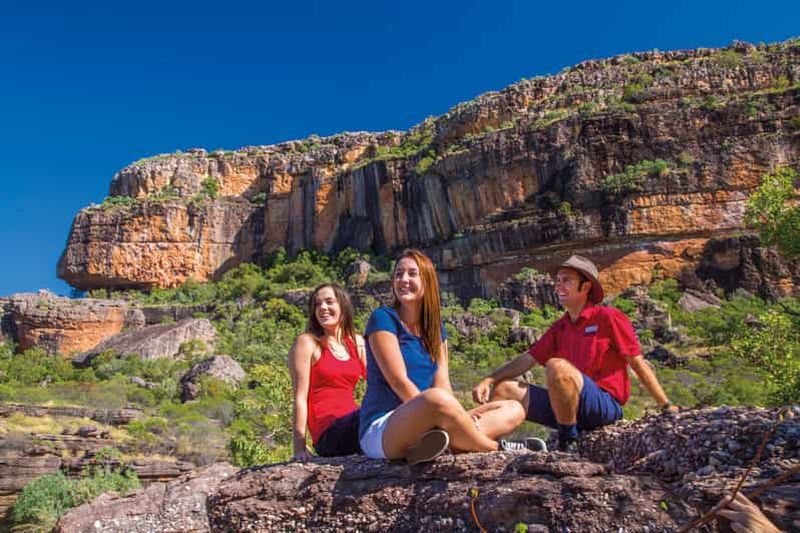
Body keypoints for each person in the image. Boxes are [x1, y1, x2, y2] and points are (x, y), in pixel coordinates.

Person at [473, 254, 677, 452]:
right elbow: (528, 359)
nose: (559, 286)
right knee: (505, 388)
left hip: (602, 406)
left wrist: (665, 405)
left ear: (586, 286)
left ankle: (568, 440)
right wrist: (490, 379)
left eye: (567, 280)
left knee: (557, 366)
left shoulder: (608, 318)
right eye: (558, 280)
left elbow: (637, 362)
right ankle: (479, 439)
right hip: (565, 407)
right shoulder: (560, 327)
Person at [359, 249, 544, 465]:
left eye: (412, 274)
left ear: (427, 281)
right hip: (384, 428)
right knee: (435, 398)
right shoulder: (383, 318)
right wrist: (445, 418)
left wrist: (455, 418)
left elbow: (443, 383)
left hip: (433, 418)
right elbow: (398, 381)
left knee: (513, 408)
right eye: (398, 274)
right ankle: (495, 448)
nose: (403, 280)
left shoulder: (435, 329)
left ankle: (437, 444)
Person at [289, 283, 366, 460]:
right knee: (369, 415)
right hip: (329, 433)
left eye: (329, 302)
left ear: (343, 306)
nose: (323, 307)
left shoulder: (356, 343)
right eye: (317, 304)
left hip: (355, 424)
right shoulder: (308, 343)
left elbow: (380, 382)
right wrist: (299, 448)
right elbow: (300, 397)